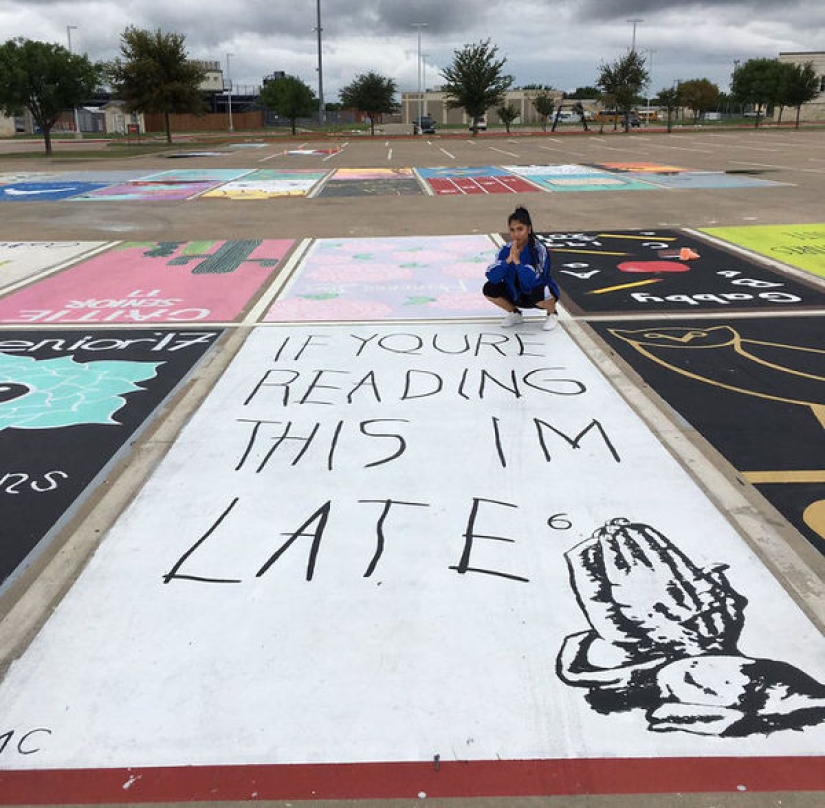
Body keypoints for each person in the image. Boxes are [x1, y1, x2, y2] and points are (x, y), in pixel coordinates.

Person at [483, 206, 560, 331]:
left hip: (536, 294)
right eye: (512, 230)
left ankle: (552, 313)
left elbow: (534, 280)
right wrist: (507, 261)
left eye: (520, 229)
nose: (516, 234)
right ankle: (515, 313)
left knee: (542, 290)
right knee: (489, 288)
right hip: (516, 295)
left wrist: (518, 263)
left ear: (528, 229)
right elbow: (492, 276)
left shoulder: (539, 250)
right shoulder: (505, 250)